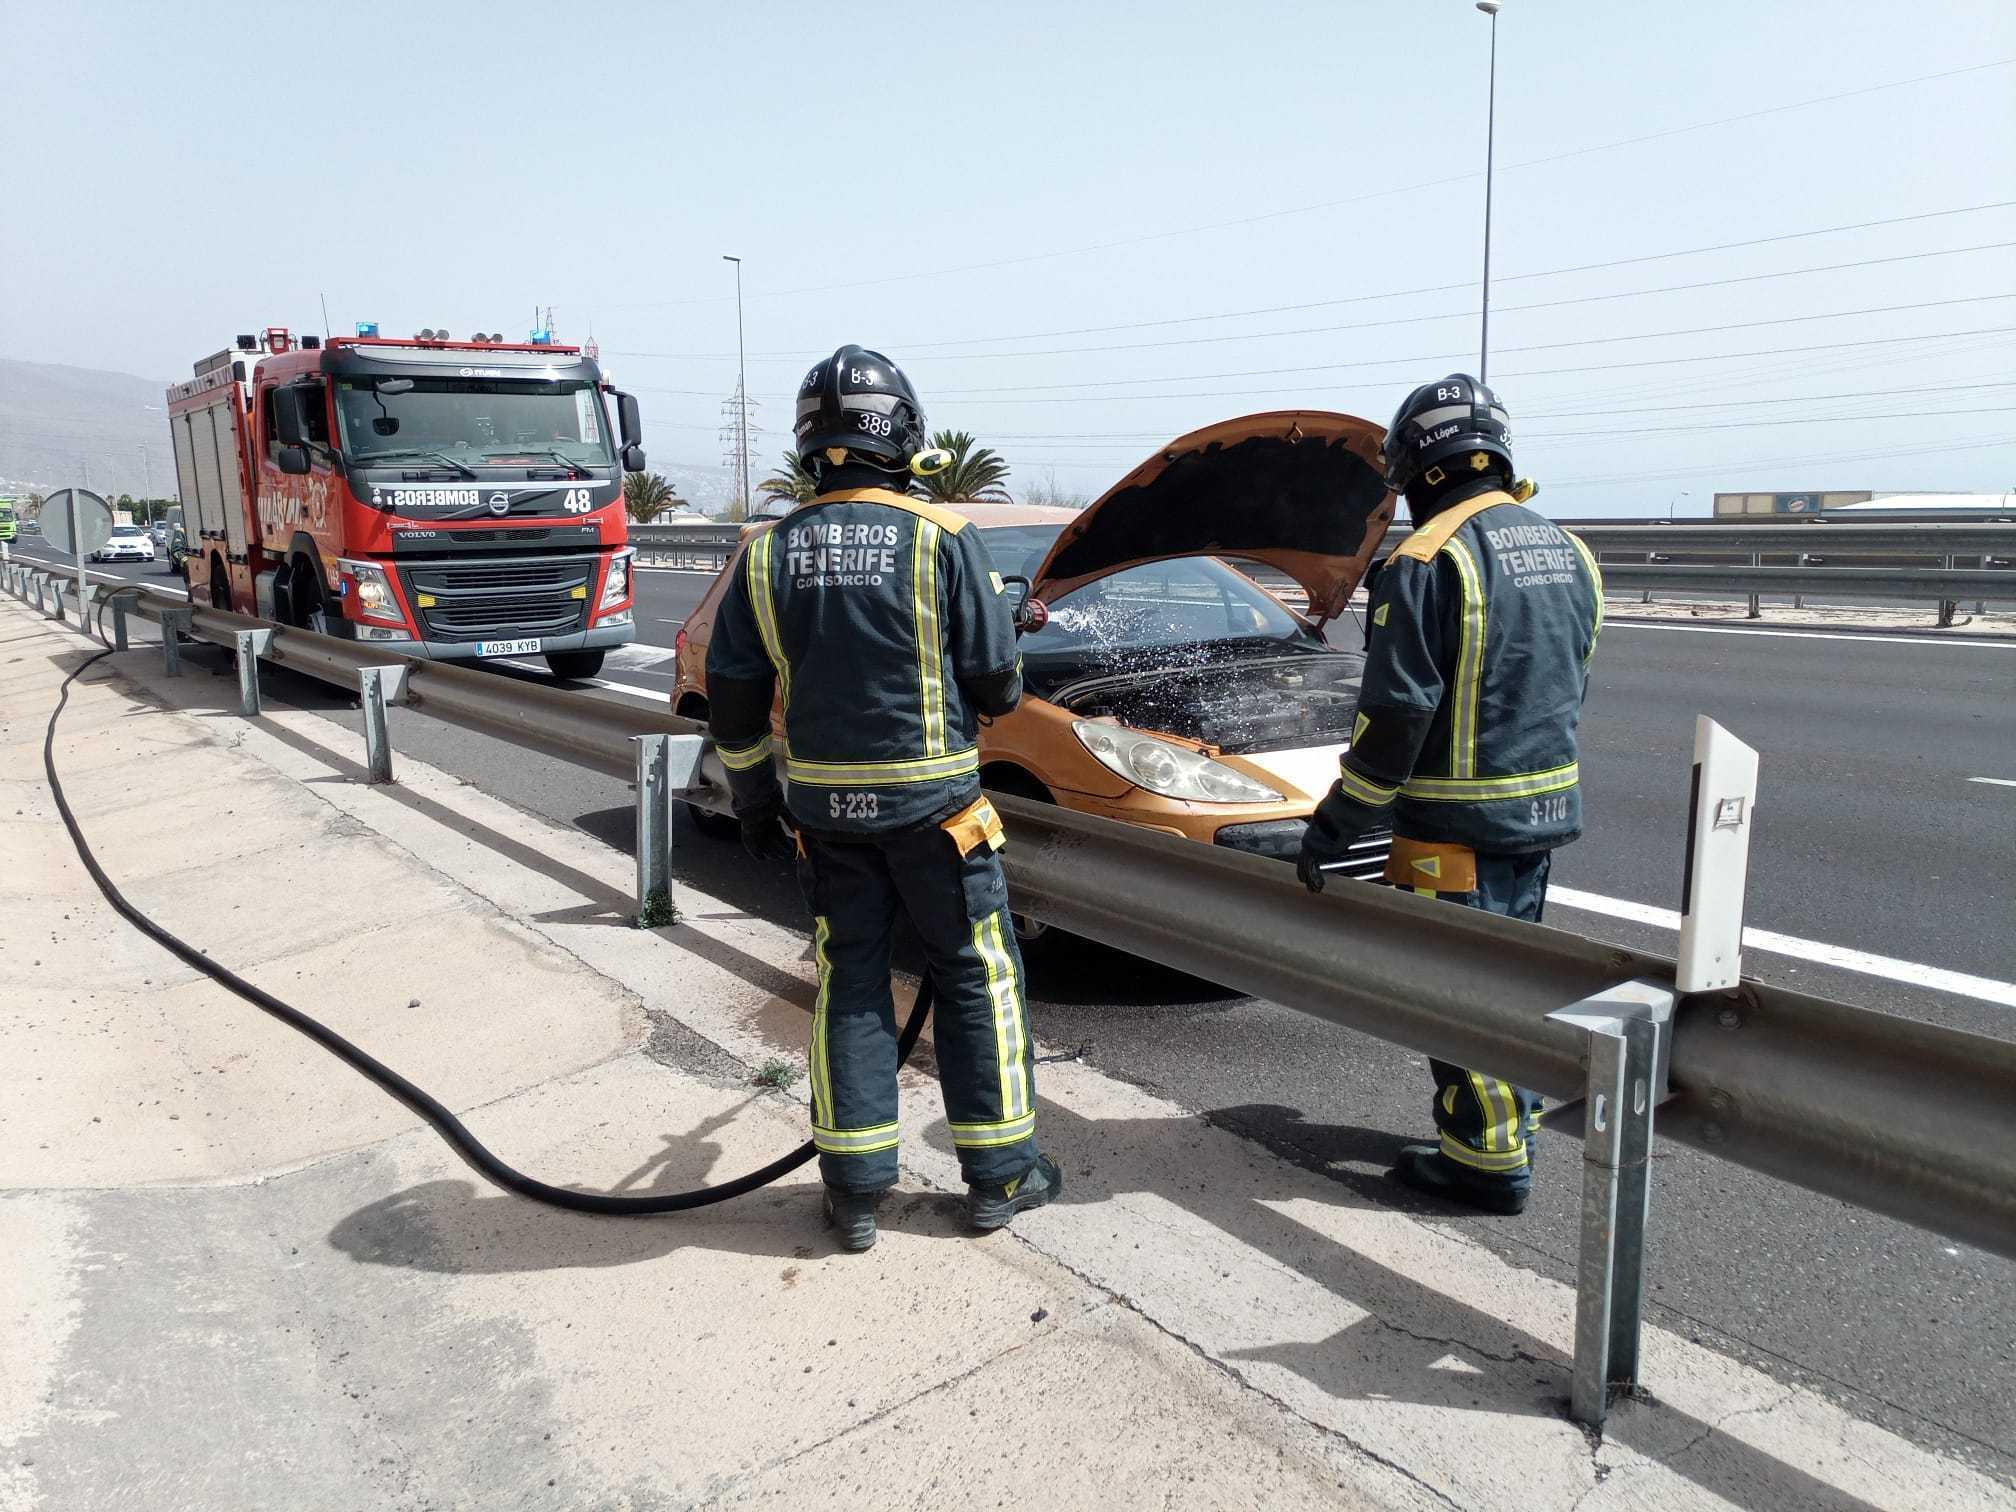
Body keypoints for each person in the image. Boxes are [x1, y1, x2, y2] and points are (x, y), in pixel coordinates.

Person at [706, 344, 1061, 1252]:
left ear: (807, 446)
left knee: (850, 984)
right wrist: (1002, 635)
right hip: (940, 820)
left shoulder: (763, 557)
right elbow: (997, 692)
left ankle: (856, 1189)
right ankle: (999, 1176)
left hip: (827, 822)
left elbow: (736, 703)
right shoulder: (942, 539)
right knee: (975, 977)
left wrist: (752, 800)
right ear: (900, 434)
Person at [1297, 373, 1603, 1216]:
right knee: (1509, 977)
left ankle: (1485, 1161)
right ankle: (1510, 1127)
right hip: (1538, 815)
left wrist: (1340, 820)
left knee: (1460, 997)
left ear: (1418, 467)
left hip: (1454, 824)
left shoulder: (1430, 560)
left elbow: (1396, 714)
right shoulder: (1567, 550)